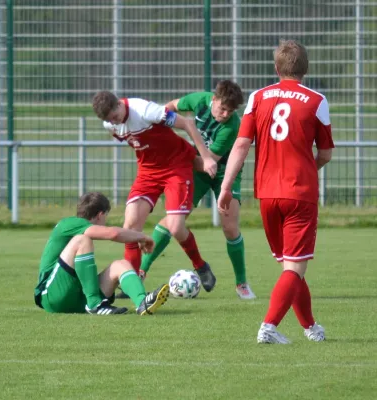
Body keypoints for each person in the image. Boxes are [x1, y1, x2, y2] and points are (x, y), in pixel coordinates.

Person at [218, 39, 334, 343]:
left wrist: (226, 186)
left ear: (276, 67)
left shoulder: (258, 97)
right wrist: (308, 169)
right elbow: (325, 154)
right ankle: (268, 326)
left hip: (267, 194)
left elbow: (241, 144)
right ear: (305, 69)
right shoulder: (316, 100)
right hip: (299, 192)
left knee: (291, 266)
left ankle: (310, 327)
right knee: (294, 267)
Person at [92, 91, 218, 296]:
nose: (113, 122)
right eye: (108, 120)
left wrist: (205, 158)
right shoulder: (110, 125)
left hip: (176, 167)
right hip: (148, 172)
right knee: (130, 227)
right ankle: (133, 282)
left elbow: (188, 124)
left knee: (176, 227)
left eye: (114, 116)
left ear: (118, 104)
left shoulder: (145, 110)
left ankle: (200, 265)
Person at [139, 80, 256, 299]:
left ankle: (241, 283)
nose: (225, 114)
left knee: (230, 227)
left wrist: (176, 153)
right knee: (174, 220)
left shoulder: (232, 126)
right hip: (197, 165)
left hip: (224, 171)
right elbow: (173, 105)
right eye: (222, 108)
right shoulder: (199, 100)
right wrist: (159, 127)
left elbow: (209, 162)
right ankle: (141, 271)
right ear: (214, 99)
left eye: (230, 111)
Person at [34, 192, 170, 316]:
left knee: (121, 265)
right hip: (52, 295)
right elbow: (114, 233)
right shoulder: (68, 223)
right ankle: (95, 304)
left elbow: (115, 234)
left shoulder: (79, 226)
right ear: (100, 215)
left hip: (77, 298)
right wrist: (143, 237)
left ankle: (142, 302)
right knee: (81, 240)